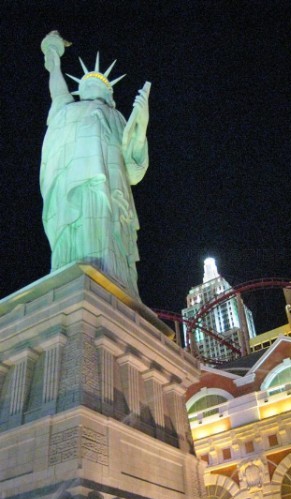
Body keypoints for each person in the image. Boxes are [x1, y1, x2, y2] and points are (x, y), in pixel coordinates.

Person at [40, 31, 150, 299]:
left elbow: (133, 170)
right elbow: (57, 88)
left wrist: (141, 126)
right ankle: (72, 281)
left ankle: (110, 284)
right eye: (87, 84)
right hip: (71, 184)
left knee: (105, 234)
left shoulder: (117, 117)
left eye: (100, 86)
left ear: (110, 96)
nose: (92, 86)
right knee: (74, 232)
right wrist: (53, 55)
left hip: (109, 188)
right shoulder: (68, 109)